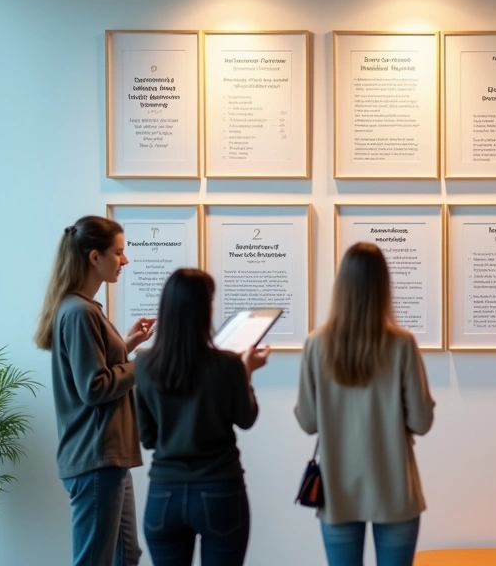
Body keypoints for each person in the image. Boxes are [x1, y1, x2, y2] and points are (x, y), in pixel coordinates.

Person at [295, 242, 436, 566]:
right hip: (395, 489)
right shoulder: (401, 343)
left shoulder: (316, 343)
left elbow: (308, 422)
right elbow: (422, 423)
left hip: (338, 490)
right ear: (384, 286)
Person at [34, 216, 155, 566]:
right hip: (96, 455)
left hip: (106, 457)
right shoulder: (80, 312)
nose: (125, 261)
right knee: (95, 560)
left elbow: (96, 369)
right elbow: (95, 387)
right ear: (94, 257)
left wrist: (127, 344)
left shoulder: (80, 309)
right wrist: (146, 364)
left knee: (125, 554)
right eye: (118, 253)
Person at [134, 268, 271, 566]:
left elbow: (147, 438)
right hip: (219, 489)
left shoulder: (144, 366)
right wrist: (245, 373)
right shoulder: (228, 365)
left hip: (163, 495)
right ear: (204, 309)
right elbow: (246, 419)